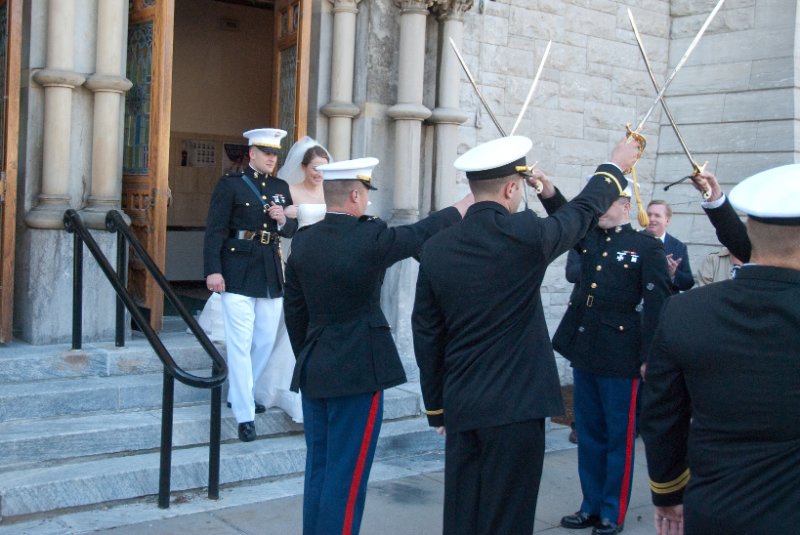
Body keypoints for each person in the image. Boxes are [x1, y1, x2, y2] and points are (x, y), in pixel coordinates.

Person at [412, 135, 639, 535]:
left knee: (463, 512)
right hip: (517, 407)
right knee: (508, 517)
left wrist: (437, 407)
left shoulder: (437, 247)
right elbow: (583, 211)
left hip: (463, 401)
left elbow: (427, 332)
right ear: (512, 187)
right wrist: (615, 167)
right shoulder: (526, 235)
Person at [283, 157, 471, 535]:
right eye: (365, 194)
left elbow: (295, 313)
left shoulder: (302, 241)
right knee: (347, 477)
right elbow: (422, 232)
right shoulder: (371, 238)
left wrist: (311, 353)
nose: (367, 202)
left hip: (314, 366)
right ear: (355, 194)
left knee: (319, 468)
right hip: (357, 370)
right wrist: (466, 203)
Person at [641, 163, 800, 535]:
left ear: (750, 232)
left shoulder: (685, 311)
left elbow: (662, 416)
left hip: (714, 510)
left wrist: (667, 492)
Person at [553, 177, 671, 535]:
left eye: (606, 204)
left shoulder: (644, 247)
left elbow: (657, 305)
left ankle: (611, 512)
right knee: (588, 434)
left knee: (618, 436)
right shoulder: (592, 240)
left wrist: (651, 355)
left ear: (623, 206)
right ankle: (590, 505)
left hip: (622, 354)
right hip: (587, 348)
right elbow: (563, 217)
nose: (599, 211)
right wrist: (547, 190)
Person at [203, 127, 298, 442]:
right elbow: (215, 230)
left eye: (275, 154)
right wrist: (213, 271)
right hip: (237, 268)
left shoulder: (281, 187)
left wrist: (282, 218)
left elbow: (291, 229)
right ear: (252, 154)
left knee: (264, 341)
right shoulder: (231, 185)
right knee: (240, 343)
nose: (272, 158)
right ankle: (245, 414)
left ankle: (240, 392)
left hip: (270, 270)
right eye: (266, 152)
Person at [258, 137, 332, 423]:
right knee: (299, 322)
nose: (319, 174)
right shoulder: (290, 190)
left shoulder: (331, 192)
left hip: (327, 264)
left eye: (324, 168)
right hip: (300, 262)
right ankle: (284, 388)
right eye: (315, 167)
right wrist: (290, 214)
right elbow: (285, 223)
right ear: (303, 167)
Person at [645, 200, 694, 293]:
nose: (651, 219)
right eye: (649, 214)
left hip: (663, 303)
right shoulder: (634, 239)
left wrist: (673, 273)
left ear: (667, 221)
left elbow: (688, 283)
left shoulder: (678, 247)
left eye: (657, 215)